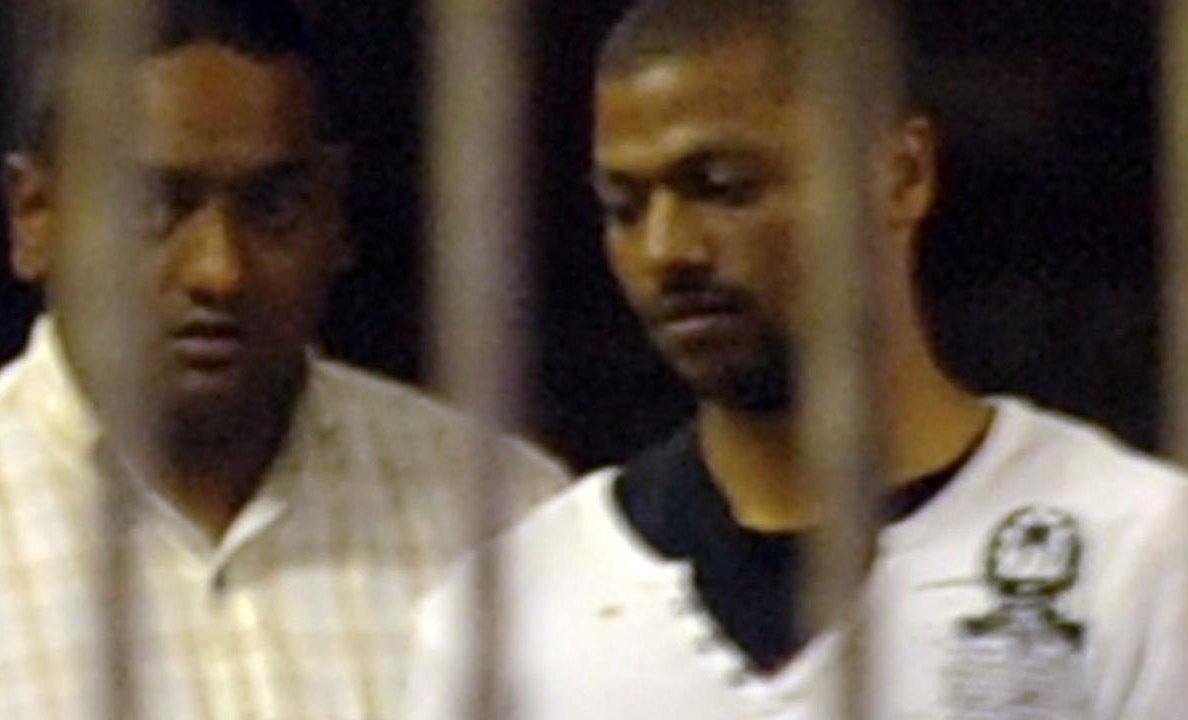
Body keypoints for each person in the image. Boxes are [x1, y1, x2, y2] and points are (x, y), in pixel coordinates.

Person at [404, 0, 1188, 717]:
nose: (667, 250)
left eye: (724, 187)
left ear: (901, 172)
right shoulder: (510, 615)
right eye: (624, 207)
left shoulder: (1139, 558)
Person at [0, 0, 567, 716]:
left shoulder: (508, 522)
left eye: (274, 205)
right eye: (153, 207)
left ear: (336, 216)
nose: (220, 270)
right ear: (34, 215)